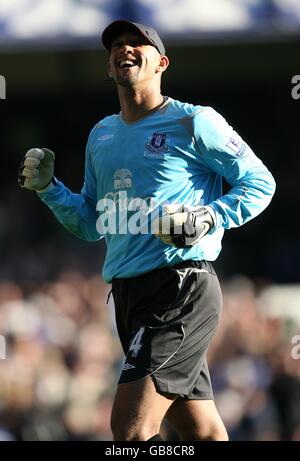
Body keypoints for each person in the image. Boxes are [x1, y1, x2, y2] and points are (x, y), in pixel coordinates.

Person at [18, 19, 276, 441]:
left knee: (131, 430)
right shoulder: (101, 135)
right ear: (108, 66)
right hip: (128, 299)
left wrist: (209, 217)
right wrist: (49, 188)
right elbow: (90, 224)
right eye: (117, 45)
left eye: (138, 43)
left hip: (180, 289)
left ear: (162, 63)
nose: (126, 49)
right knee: (202, 434)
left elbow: (260, 182)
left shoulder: (195, 122)